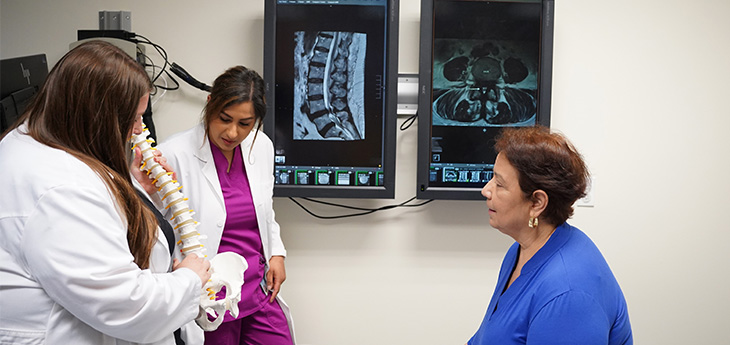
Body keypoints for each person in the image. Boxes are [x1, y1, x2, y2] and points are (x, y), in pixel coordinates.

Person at [0, 40, 211, 345]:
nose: (139, 129)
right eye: (134, 118)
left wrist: (138, 190)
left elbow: (100, 223)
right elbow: (127, 306)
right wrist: (190, 278)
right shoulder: (59, 191)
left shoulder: (44, 140)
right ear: (99, 117)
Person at [156, 66, 294, 345]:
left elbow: (265, 212)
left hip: (258, 288)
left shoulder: (261, 147)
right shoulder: (174, 153)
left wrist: (277, 253)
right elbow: (152, 227)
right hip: (211, 296)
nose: (232, 132)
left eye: (245, 124)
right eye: (224, 119)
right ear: (210, 105)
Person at [467, 126, 632, 344]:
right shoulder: (521, 251)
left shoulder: (569, 293)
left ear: (537, 203)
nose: (486, 190)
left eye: (499, 184)